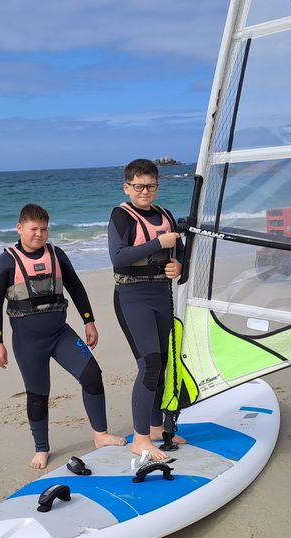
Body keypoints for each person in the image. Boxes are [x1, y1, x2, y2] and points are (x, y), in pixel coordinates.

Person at [0, 203, 126, 468]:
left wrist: (89, 321)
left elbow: (76, 287)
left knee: (92, 375)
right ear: (20, 228)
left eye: (44, 229)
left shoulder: (56, 255)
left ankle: (100, 435)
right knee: (38, 395)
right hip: (28, 343)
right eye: (33, 229)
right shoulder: (6, 261)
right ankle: (41, 448)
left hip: (61, 334)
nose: (39, 234)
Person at [108, 159, 187, 462]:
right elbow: (119, 257)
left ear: (157, 186)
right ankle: (139, 439)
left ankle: (155, 428)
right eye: (138, 186)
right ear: (126, 187)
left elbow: (180, 254)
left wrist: (178, 266)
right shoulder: (121, 215)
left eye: (151, 186)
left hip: (160, 294)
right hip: (132, 297)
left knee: (162, 362)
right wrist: (157, 243)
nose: (145, 191)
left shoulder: (165, 215)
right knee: (149, 364)